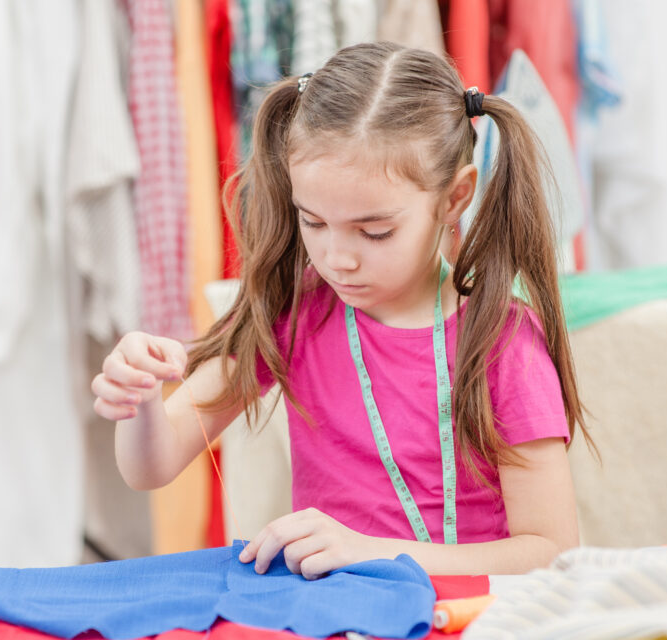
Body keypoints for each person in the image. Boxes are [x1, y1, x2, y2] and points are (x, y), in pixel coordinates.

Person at [92, 42, 593, 577]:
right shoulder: (295, 311)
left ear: (454, 198)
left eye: (374, 231)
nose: (337, 258)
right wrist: (139, 400)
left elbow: (551, 552)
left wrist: (373, 552)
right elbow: (152, 465)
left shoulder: (503, 343)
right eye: (313, 222)